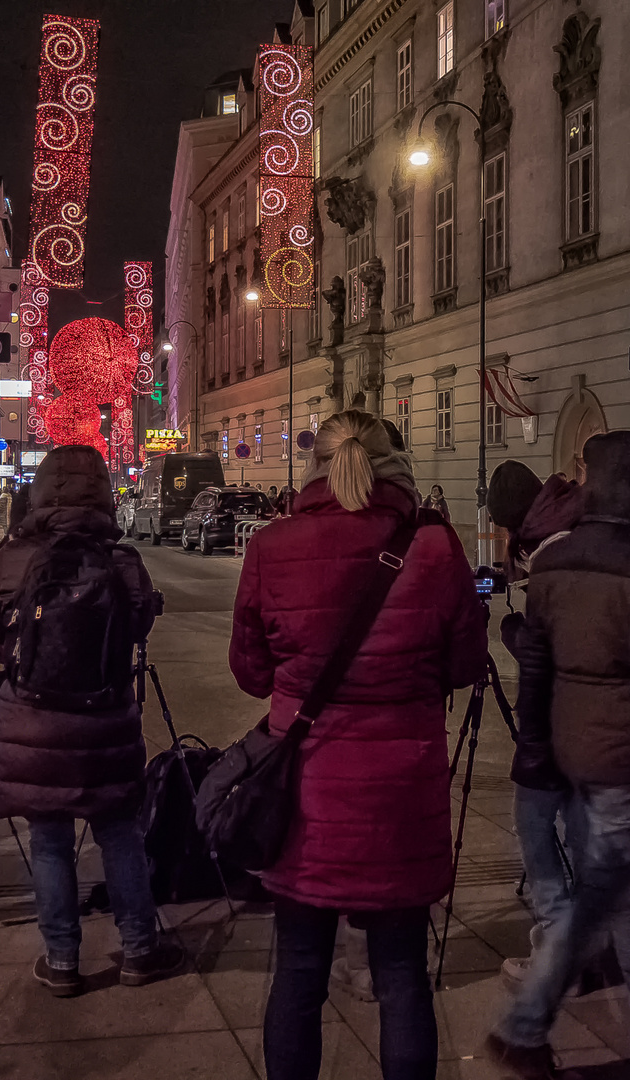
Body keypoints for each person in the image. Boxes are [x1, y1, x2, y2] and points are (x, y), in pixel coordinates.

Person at [231, 410, 486, 1080]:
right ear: (394, 466)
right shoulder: (435, 546)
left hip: (305, 794)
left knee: (300, 969)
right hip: (403, 789)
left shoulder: (272, 545)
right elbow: (464, 665)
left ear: (316, 466)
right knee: (402, 973)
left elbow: (250, 672)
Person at [486, 432, 630, 1078]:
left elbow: (535, 662)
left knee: (621, 892)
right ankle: (531, 1025)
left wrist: (536, 746)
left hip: (572, 750)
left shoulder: (555, 561)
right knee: (613, 893)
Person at [0, 446, 182, 995]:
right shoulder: (122, 561)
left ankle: (62, 960)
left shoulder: (13, 557)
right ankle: (140, 950)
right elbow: (138, 628)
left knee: (48, 840)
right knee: (119, 834)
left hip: (34, 718)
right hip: (105, 716)